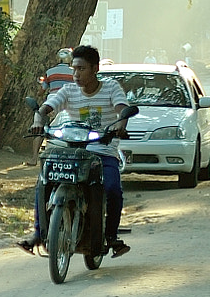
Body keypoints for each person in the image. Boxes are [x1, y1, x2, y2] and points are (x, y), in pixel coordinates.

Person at [20, 45, 132, 258]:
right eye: (74, 69)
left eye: (81, 69)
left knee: (112, 188)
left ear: (95, 68)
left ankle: (111, 236)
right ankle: (38, 233)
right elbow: (46, 108)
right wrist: (37, 120)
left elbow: (121, 109)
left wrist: (120, 124)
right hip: (72, 152)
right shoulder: (69, 90)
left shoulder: (111, 88)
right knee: (43, 181)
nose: (76, 74)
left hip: (103, 152)